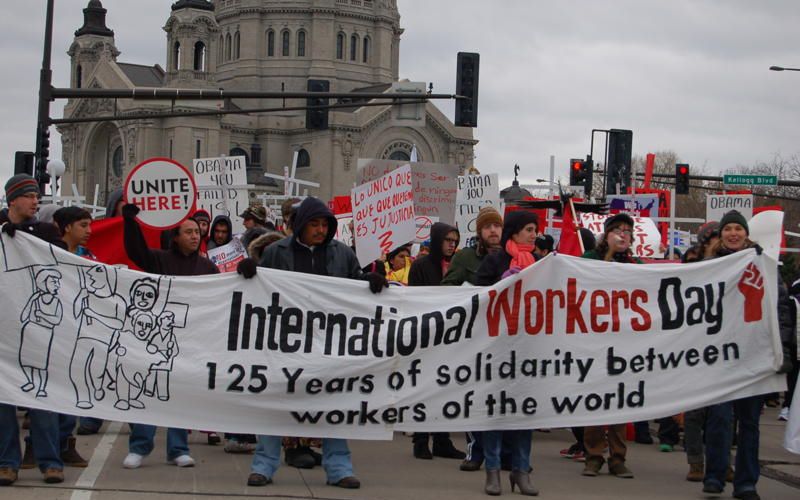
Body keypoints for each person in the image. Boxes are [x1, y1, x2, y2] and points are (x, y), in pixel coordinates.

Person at [237, 196, 387, 489]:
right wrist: (248, 273)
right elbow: (261, 288)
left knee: (334, 405)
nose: (320, 230)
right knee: (276, 405)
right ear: (301, 225)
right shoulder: (277, 252)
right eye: (314, 224)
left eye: (325, 225)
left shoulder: (343, 254)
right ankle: (263, 466)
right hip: (287, 344)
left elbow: (355, 283)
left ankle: (339, 468)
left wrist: (370, 281)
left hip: (330, 344)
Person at [702, 210, 794, 500]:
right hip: (720, 357)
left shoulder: (764, 265)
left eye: (737, 229)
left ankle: (746, 482)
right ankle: (714, 475)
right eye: (728, 228)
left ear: (746, 233)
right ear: (721, 234)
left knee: (750, 422)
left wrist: (782, 352)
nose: (733, 233)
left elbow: (780, 310)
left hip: (755, 355)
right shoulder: (709, 267)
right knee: (719, 419)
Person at [121, 203, 219, 469]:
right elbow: (136, 251)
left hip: (190, 341)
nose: (195, 236)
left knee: (180, 394)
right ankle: (139, 447)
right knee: (148, 391)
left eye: (197, 231)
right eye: (188, 232)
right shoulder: (160, 260)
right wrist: (130, 222)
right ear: (175, 237)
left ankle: (178, 449)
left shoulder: (208, 268)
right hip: (156, 340)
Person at [0, 174, 66, 485]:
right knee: (3, 400)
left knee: (42, 397)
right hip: (5, 329)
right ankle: (7, 462)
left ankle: (50, 461)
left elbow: (62, 259)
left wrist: (29, 238)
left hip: (38, 333)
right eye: (29, 195)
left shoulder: (45, 231)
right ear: (13, 199)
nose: (35, 201)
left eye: (37, 195)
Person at [475, 210, 540, 496]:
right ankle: (493, 471)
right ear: (514, 233)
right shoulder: (495, 261)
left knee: (524, 413)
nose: (534, 234)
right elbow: (475, 297)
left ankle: (521, 470)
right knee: (495, 412)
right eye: (529, 229)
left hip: (527, 346)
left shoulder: (540, 263)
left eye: (535, 229)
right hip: (497, 347)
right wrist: (501, 284)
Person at [442, 206, 504, 472]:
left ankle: (506, 455)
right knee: (474, 396)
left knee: (504, 397)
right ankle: (475, 451)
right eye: (487, 226)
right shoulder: (465, 257)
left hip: (505, 338)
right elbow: (447, 287)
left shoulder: (513, 255)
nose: (493, 231)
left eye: (497, 226)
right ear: (480, 231)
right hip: (476, 337)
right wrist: (468, 294)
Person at [580, 213, 639, 479]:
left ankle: (618, 458)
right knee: (594, 399)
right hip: (595, 341)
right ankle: (593, 456)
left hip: (624, 343)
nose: (623, 234)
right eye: (618, 230)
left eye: (627, 230)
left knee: (618, 401)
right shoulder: (590, 258)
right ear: (607, 235)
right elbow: (585, 281)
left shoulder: (635, 264)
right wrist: (609, 255)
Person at [408, 222, 467, 462]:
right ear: (437, 240)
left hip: (450, 336)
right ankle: (420, 441)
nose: (452, 245)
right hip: (427, 334)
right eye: (448, 240)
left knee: (445, 388)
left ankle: (443, 441)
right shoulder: (421, 266)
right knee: (424, 389)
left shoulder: (457, 266)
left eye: (455, 241)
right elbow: (414, 299)